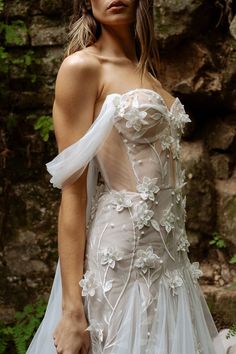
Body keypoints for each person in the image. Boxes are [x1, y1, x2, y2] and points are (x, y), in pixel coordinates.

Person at [26, 0, 228, 353]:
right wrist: (72, 310)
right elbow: (74, 194)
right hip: (120, 258)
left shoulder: (147, 71)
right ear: (87, 2)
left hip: (170, 261)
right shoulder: (82, 67)